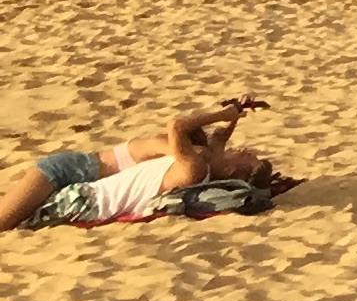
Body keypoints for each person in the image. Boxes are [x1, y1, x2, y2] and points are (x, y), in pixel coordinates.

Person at [3, 99, 284, 231]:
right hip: (82, 188)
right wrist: (236, 114)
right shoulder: (207, 165)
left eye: (246, 155)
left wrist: (221, 114)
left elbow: (176, 126)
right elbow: (220, 140)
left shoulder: (195, 168)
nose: (242, 148)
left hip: (79, 196)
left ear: (233, 171)